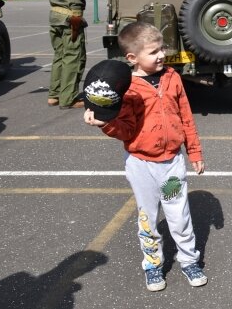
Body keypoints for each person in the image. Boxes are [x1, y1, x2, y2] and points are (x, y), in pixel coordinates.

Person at [83, 21, 207, 292]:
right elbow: (126, 130)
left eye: (162, 48)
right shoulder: (127, 90)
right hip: (142, 166)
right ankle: (152, 265)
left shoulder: (172, 77)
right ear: (132, 58)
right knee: (147, 217)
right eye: (153, 52)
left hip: (172, 165)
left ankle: (188, 260)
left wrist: (194, 151)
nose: (161, 55)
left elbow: (185, 117)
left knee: (179, 215)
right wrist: (104, 123)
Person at [42, 0, 92, 109]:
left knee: (59, 56)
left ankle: (54, 95)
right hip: (70, 18)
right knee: (73, 57)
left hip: (55, 15)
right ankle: (68, 98)